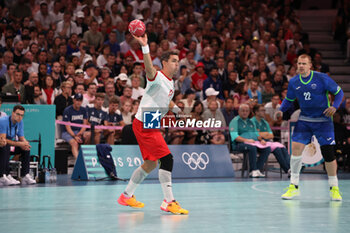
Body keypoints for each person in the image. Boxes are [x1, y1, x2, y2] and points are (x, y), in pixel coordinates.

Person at [117, 33, 188, 215]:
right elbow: (148, 68)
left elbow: (167, 101)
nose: (176, 64)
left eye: (177, 61)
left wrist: (179, 112)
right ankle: (169, 201)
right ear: (164, 63)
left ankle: (126, 195)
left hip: (151, 121)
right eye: (173, 61)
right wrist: (145, 47)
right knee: (167, 159)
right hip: (144, 123)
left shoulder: (170, 83)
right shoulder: (156, 77)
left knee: (150, 164)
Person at [280, 54, 344, 201]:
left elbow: (339, 92)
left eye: (304, 63)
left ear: (310, 66)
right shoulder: (294, 81)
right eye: (299, 63)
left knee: (329, 155)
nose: (301, 66)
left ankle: (334, 188)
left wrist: (334, 106)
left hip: (323, 121)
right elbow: (289, 99)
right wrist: (280, 110)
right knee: (295, 148)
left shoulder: (322, 78)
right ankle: (293, 186)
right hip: (305, 120)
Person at [229, 104, 270, 178]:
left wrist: (261, 140)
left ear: (249, 112)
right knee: (252, 148)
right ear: (239, 111)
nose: (245, 113)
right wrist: (246, 140)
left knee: (267, 148)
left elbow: (256, 134)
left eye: (247, 111)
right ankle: (253, 170)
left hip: (253, 143)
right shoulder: (235, 121)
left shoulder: (251, 122)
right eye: (243, 111)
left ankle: (257, 169)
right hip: (239, 144)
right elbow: (234, 136)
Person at [0, 105, 36, 186]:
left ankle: (25, 175)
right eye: (17, 114)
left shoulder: (20, 122)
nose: (19, 117)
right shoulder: (3, 121)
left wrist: (25, 144)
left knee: (25, 149)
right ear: (13, 113)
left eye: (21, 115)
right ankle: (2, 176)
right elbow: (3, 140)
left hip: (9, 145)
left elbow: (21, 137)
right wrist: (20, 144)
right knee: (5, 145)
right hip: (1, 145)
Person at [251, 104, 290, 174]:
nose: (264, 112)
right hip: (257, 142)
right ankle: (288, 170)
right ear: (256, 112)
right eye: (262, 110)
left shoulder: (265, 122)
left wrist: (262, 134)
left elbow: (271, 135)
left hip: (267, 142)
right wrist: (265, 134)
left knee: (282, 148)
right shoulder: (251, 122)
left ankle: (290, 168)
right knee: (277, 149)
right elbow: (254, 134)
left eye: (264, 110)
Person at [62, 93, 88, 159]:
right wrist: (75, 136)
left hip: (79, 131)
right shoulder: (67, 110)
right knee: (74, 143)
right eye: (77, 100)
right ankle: (78, 161)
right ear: (73, 100)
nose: (78, 102)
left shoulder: (84, 110)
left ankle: (86, 156)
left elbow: (85, 125)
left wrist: (80, 133)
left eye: (80, 100)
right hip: (67, 132)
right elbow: (68, 127)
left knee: (88, 135)